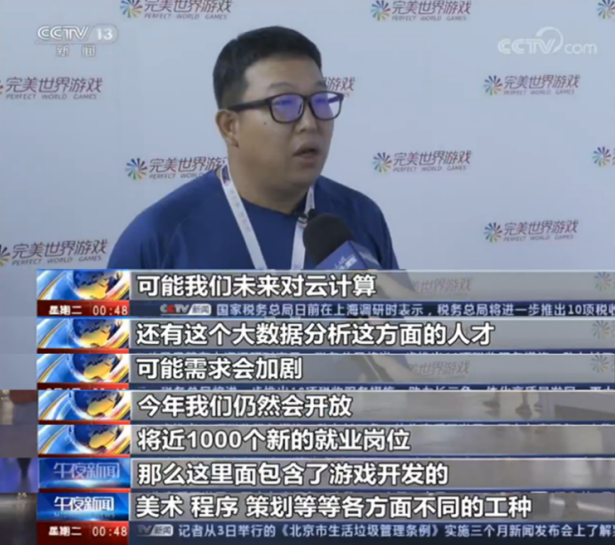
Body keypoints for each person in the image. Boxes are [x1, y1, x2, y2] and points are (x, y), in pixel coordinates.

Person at [108, 26, 398, 270]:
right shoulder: (157, 238)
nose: (310, 123)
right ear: (230, 127)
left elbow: (396, 317)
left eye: (320, 101)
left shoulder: (363, 217)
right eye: (284, 104)